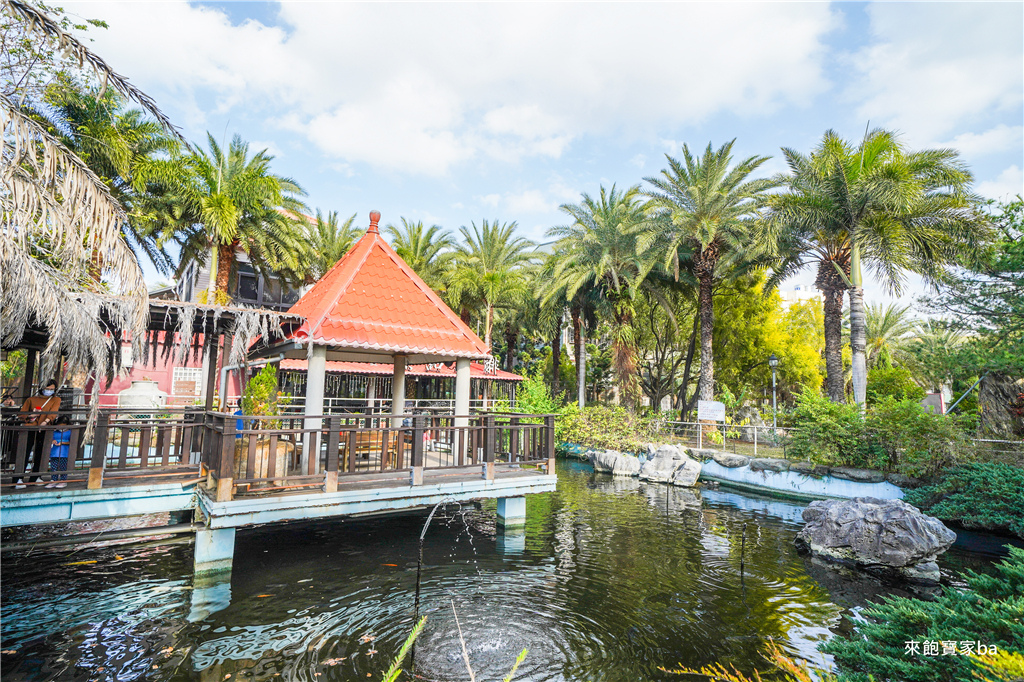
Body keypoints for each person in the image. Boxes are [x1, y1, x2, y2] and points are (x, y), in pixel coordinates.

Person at [16, 380, 61, 489]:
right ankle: (18, 478)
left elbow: (53, 413)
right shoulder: (31, 400)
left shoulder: (55, 399)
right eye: (47, 389)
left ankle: (36, 477)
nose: (49, 391)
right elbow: (22, 414)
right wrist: (31, 415)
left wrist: (45, 422)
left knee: (41, 453)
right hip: (30, 427)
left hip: (44, 428)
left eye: (52, 389)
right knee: (24, 452)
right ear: (42, 388)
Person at [45, 415, 71, 489]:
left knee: (63, 466)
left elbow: (71, 442)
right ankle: (53, 480)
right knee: (53, 466)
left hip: (64, 452)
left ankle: (63, 480)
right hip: (55, 451)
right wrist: (52, 441)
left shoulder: (70, 432)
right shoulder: (55, 432)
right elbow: (50, 439)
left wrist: (62, 443)